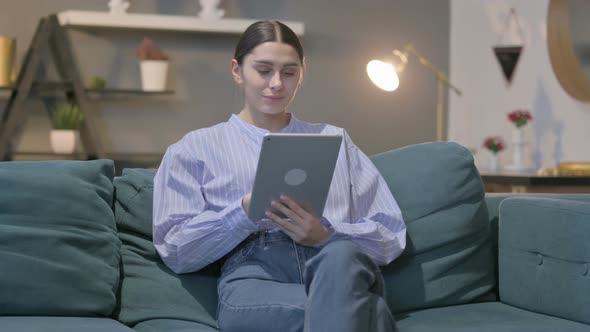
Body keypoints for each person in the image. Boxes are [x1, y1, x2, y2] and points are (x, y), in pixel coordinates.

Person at [153, 20, 407, 332]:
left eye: (289, 72)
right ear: (237, 71)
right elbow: (176, 250)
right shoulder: (194, 149)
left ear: (302, 73)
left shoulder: (336, 141)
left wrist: (325, 235)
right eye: (263, 70)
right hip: (255, 276)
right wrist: (243, 211)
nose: (276, 83)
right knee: (370, 314)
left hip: (331, 265)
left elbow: (391, 235)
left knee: (342, 255)